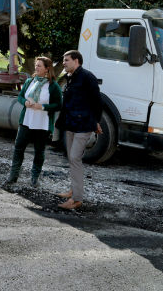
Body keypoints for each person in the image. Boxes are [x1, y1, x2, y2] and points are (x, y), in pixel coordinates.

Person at [4, 57, 62, 188]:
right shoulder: (30, 81)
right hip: (26, 121)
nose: (36, 68)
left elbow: (59, 105)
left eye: (39, 66)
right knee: (19, 148)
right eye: (36, 65)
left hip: (42, 123)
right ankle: (13, 177)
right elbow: (20, 96)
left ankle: (34, 178)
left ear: (47, 68)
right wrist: (24, 102)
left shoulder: (53, 86)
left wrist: (42, 107)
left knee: (39, 151)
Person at [55, 50, 103, 210]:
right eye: (63, 60)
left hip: (83, 125)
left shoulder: (88, 77)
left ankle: (77, 199)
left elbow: (97, 101)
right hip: (70, 124)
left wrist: (96, 121)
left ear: (76, 61)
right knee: (71, 157)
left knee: (75, 158)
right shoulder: (70, 77)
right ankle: (74, 190)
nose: (63, 63)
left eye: (66, 60)